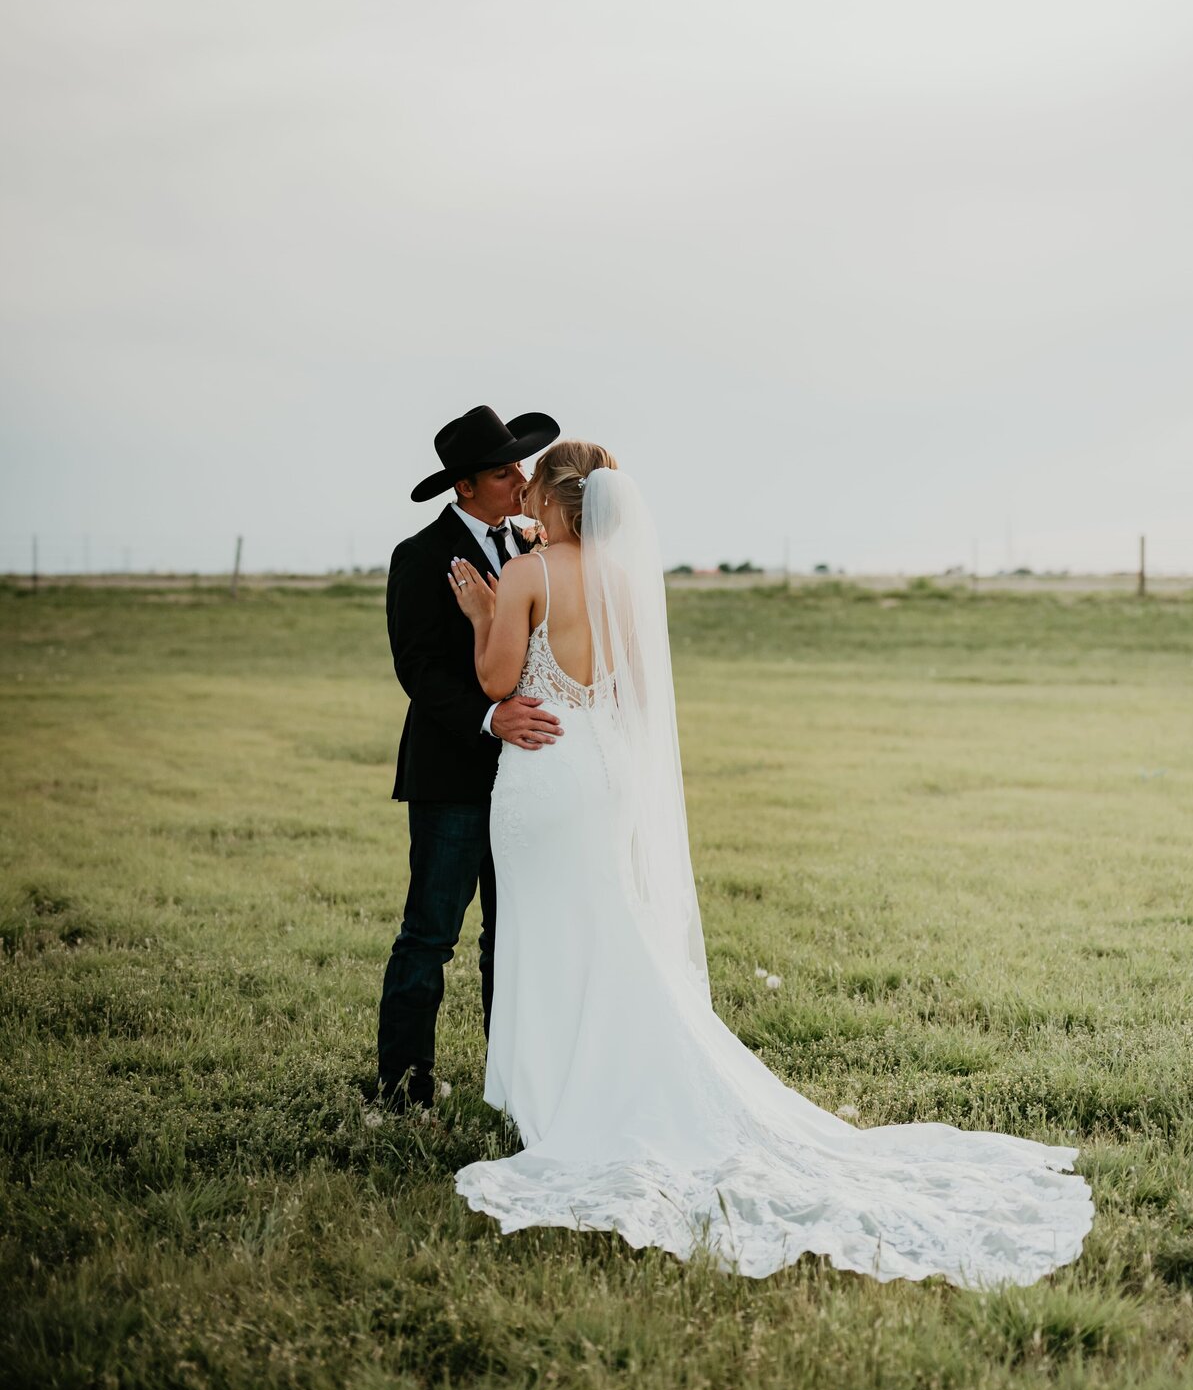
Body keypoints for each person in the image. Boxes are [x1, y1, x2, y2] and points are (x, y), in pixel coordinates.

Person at [447, 440, 1094, 1285]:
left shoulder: (532, 573)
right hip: (600, 772)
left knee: (549, 930)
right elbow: (636, 699)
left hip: (544, 774)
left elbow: (499, 682)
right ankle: (598, 1075)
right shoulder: (623, 583)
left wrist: (479, 616)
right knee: (605, 928)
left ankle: (552, 1093)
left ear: (559, 503)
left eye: (533, 484)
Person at [376, 404, 563, 1113]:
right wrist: (490, 716)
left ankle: (507, 1081)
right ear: (464, 487)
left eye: (517, 465)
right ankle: (403, 1089)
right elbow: (418, 670)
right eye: (501, 470)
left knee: (508, 939)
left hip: (527, 779)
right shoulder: (419, 556)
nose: (519, 477)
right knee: (430, 934)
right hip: (452, 773)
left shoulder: (532, 547)